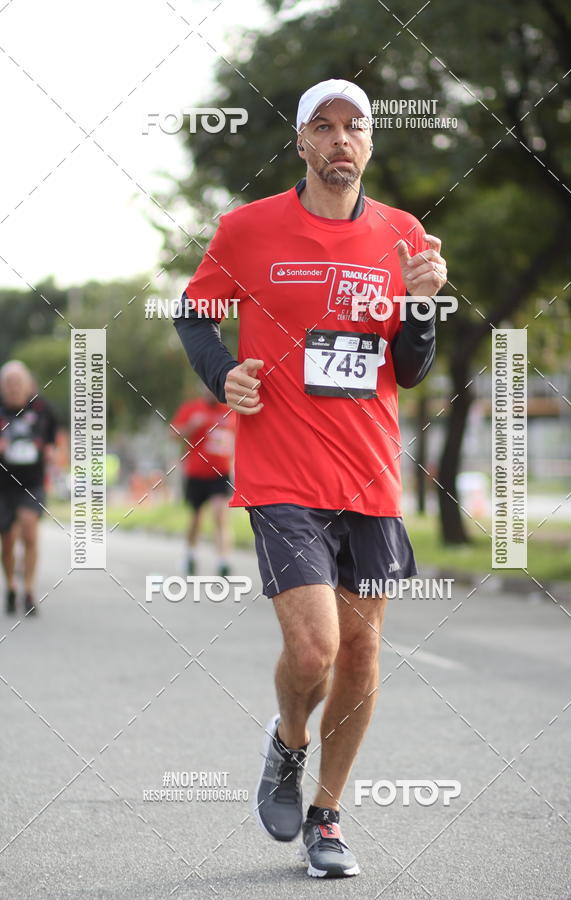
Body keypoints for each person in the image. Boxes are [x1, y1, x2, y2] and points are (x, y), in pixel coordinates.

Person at [174, 79, 447, 878]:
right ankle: (288, 742)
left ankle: (326, 817)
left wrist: (423, 306)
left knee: (360, 660)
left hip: (367, 476)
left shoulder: (402, 234)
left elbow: (411, 367)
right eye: (321, 127)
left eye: (352, 126)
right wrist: (222, 373)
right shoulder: (249, 228)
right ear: (301, 143)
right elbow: (193, 312)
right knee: (313, 654)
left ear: (369, 142)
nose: (338, 139)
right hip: (281, 472)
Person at [0, 361, 57, 616]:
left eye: (17, 383)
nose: (13, 388)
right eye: (8, 383)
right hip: (3, 485)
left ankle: (29, 589)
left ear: (27, 385)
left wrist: (54, 452)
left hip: (32, 482)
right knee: (8, 540)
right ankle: (11, 586)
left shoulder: (43, 409)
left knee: (29, 531)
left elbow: (57, 440)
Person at [170, 387, 235, 576]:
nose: (211, 393)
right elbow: (173, 434)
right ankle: (190, 555)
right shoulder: (192, 409)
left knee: (220, 514)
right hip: (196, 473)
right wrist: (190, 426)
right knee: (196, 518)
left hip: (220, 473)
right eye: (207, 389)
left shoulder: (231, 411)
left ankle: (223, 560)